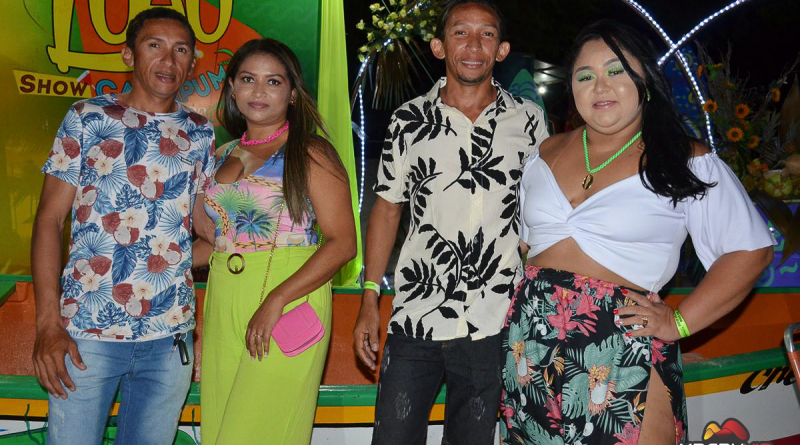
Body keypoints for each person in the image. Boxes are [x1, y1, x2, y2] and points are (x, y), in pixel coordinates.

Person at [502, 20, 775, 445]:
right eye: (585, 76)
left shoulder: (682, 159)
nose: (600, 86)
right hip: (529, 346)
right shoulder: (544, 153)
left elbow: (750, 250)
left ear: (644, 80)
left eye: (616, 71)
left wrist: (680, 322)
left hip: (621, 344)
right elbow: (522, 247)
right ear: (571, 88)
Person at [353, 1, 548, 443]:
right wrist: (370, 297)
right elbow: (387, 209)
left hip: (494, 319)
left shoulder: (530, 122)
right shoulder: (408, 121)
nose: (474, 45)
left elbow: (542, 212)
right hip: (414, 314)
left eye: (487, 34)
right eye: (461, 33)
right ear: (439, 46)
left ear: (502, 50)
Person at [31, 7, 215, 445]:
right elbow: (49, 220)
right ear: (129, 55)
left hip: (170, 338)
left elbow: (207, 231)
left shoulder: (201, 132)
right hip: (86, 334)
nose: (168, 60)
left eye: (181, 50)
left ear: (192, 63)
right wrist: (47, 324)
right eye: (155, 46)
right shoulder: (88, 116)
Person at [192, 38, 356, 445]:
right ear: (232, 88)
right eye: (248, 79)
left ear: (293, 93)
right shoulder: (221, 153)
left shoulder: (311, 152)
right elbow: (218, 242)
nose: (259, 91)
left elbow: (343, 244)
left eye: (274, 81)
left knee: (252, 435)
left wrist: (276, 300)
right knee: (220, 433)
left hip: (290, 295)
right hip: (223, 296)